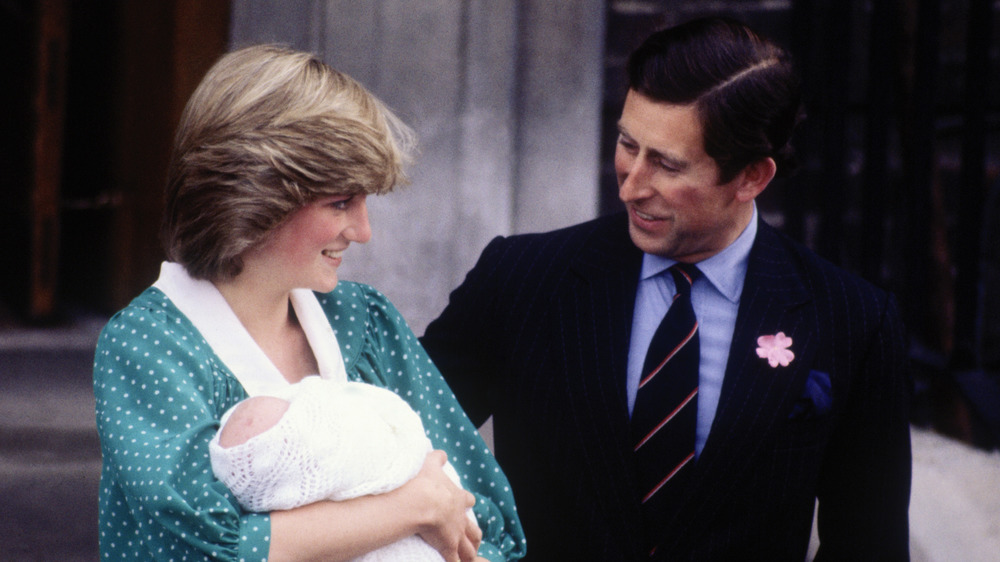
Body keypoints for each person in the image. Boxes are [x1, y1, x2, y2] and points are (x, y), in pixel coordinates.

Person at [421, 17, 911, 561]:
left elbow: (869, 545)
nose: (631, 185)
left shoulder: (852, 320)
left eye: (668, 165)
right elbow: (395, 447)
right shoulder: (520, 277)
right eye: (628, 144)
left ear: (752, 177)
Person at [92, 44, 525, 562]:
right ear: (253, 195)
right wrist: (410, 508)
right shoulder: (148, 347)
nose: (362, 232)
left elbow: (489, 527)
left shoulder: (365, 321)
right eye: (340, 202)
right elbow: (205, 550)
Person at [209, 376, 478, 562]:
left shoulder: (367, 319)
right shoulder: (177, 363)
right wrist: (419, 503)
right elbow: (211, 545)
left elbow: (487, 526)